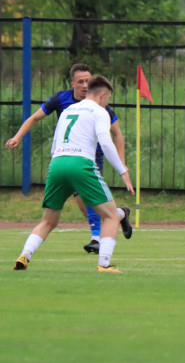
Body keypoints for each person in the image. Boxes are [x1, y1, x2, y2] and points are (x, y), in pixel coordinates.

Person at [14, 76, 135, 273]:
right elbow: (105, 143)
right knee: (111, 216)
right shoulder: (100, 111)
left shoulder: (69, 110)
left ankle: (24, 255)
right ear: (103, 95)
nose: (107, 103)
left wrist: (59, 166)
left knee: (48, 221)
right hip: (81, 164)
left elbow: (55, 143)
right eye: (108, 99)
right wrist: (123, 171)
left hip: (57, 163)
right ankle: (104, 264)